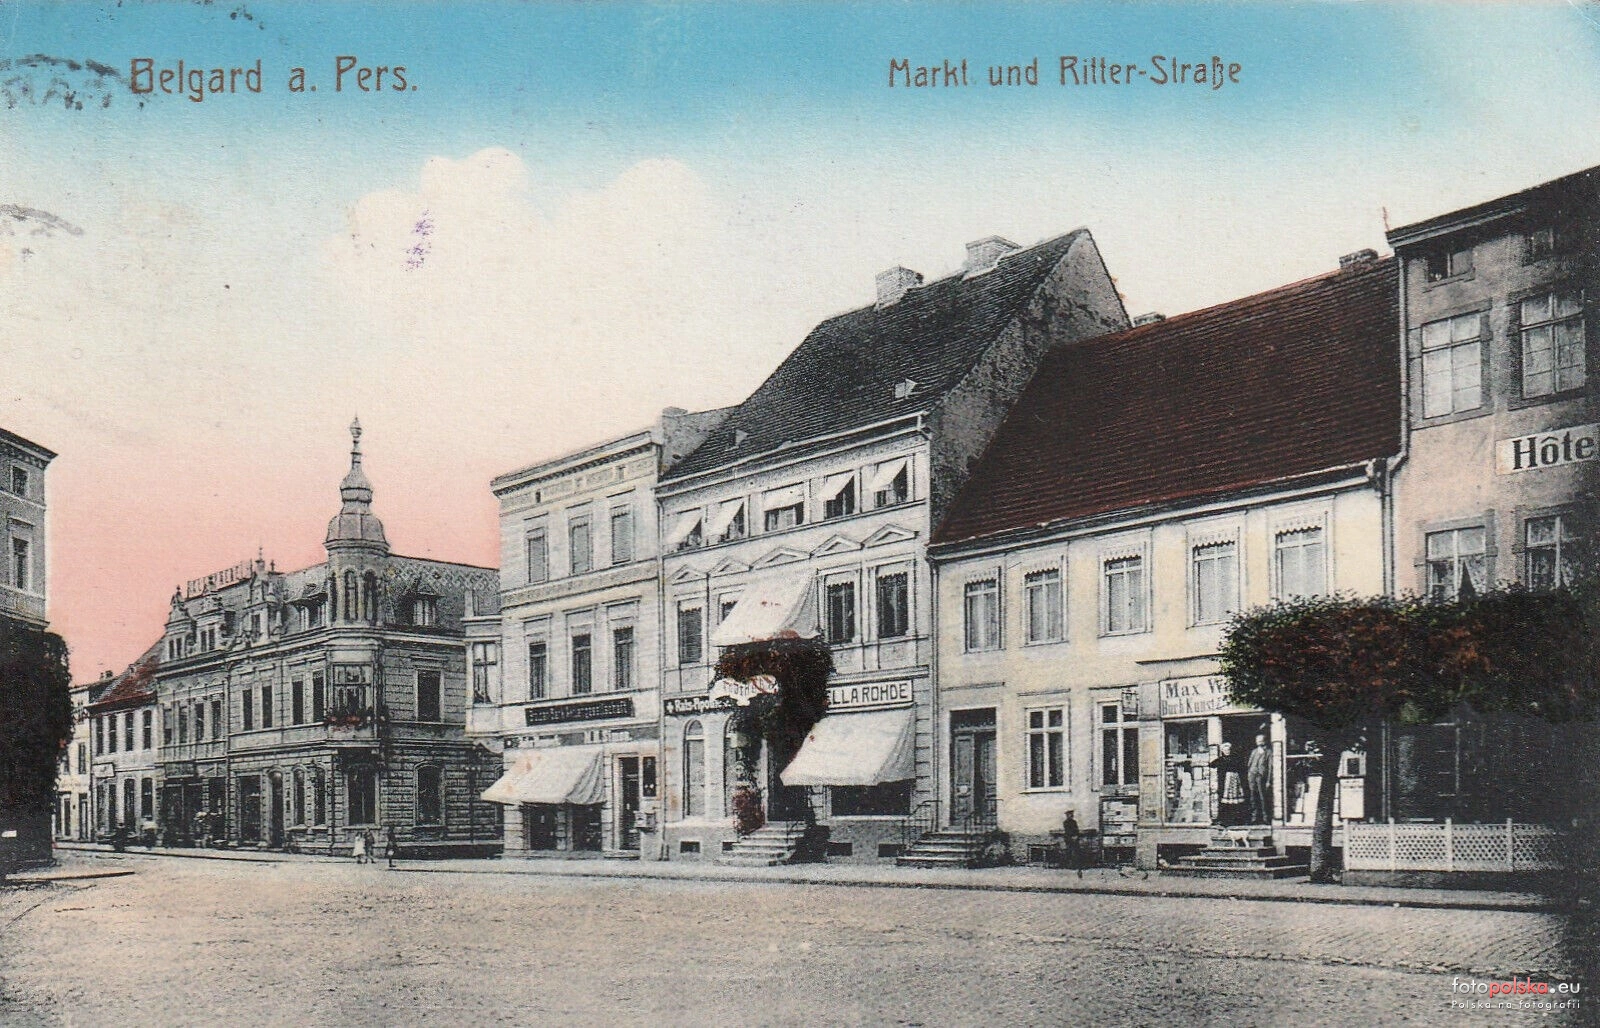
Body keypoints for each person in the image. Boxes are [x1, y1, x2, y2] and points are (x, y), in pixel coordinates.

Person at [1211, 742, 1247, 827]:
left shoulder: (1235, 758)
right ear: (1222, 751)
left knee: (1235, 802)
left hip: (1234, 781)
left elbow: (1241, 767)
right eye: (1225, 750)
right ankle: (1225, 820)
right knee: (1224, 801)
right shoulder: (1220, 759)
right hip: (1224, 782)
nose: (1227, 751)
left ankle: (1236, 820)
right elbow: (1212, 764)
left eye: (1228, 750)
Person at [1247, 733, 1273, 825]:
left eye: (1261, 740)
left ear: (1264, 741)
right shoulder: (1254, 751)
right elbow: (1249, 764)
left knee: (1263, 797)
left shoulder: (1268, 752)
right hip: (1252, 776)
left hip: (1261, 777)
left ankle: (1265, 818)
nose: (1259, 742)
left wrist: (1268, 780)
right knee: (1253, 797)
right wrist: (1249, 774)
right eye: (1257, 740)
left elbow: (1270, 767)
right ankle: (1254, 817)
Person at [1060, 810, 1082, 876]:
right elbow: (1068, 831)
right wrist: (1072, 837)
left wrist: (1076, 836)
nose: (1072, 815)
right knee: (1069, 851)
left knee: (1077, 852)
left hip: (1075, 839)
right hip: (1069, 839)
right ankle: (1070, 864)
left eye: (1072, 814)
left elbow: (1077, 830)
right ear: (1067, 815)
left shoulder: (1074, 822)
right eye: (1070, 814)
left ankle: (1076, 865)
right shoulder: (1065, 822)